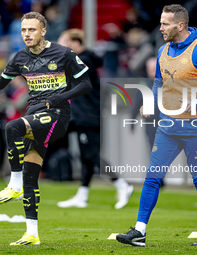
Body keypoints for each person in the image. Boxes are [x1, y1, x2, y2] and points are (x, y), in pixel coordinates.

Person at [0, 12, 92, 245]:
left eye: (32, 30)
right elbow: (2, 81)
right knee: (31, 176)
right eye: (24, 30)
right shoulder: (19, 57)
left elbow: (86, 84)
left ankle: (13, 183)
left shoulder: (64, 53)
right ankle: (32, 234)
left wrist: (59, 98)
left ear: (43, 31)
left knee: (13, 127)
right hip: (34, 114)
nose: (27, 34)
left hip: (57, 115)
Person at [116, 4, 197, 247]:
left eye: (165, 24)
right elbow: (159, 82)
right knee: (152, 177)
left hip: (196, 128)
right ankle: (139, 231)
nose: (161, 28)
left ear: (180, 25)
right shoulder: (162, 50)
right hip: (167, 128)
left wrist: (196, 101)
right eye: (160, 23)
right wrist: (150, 102)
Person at [56, 29, 134, 209]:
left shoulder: (83, 61)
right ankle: (82, 195)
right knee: (86, 157)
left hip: (88, 116)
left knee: (92, 155)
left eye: (63, 43)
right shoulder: (84, 59)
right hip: (83, 115)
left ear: (74, 42)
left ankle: (122, 184)